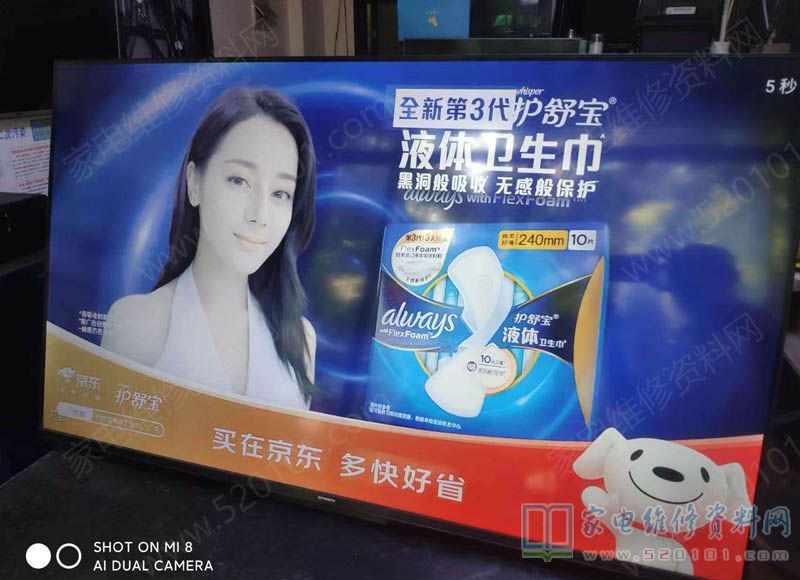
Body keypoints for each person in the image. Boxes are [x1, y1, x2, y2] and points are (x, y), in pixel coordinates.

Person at [102, 87, 317, 410]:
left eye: (280, 193)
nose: (259, 215)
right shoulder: (135, 323)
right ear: (195, 183)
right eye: (239, 180)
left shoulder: (301, 340)